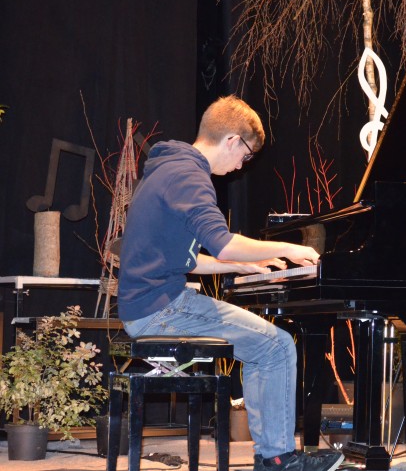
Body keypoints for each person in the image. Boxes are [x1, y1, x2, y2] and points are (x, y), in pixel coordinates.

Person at [118, 95, 344, 471]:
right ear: (232, 140)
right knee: (277, 346)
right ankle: (277, 458)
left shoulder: (167, 168)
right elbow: (223, 243)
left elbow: (185, 259)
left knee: (263, 347)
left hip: (148, 304)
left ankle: (273, 451)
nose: (243, 164)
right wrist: (292, 248)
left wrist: (241, 266)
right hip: (160, 309)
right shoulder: (191, 177)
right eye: (248, 154)